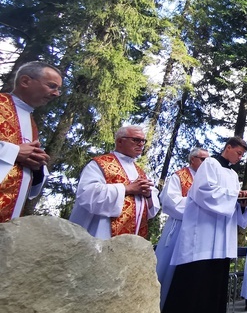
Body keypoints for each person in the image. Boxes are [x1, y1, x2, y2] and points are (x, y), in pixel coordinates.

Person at [159, 137, 247, 313]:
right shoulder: (210, 164)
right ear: (228, 147)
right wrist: (234, 197)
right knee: (192, 290)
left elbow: (232, 205)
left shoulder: (232, 174)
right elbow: (203, 192)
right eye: (238, 153)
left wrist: (242, 202)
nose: (240, 159)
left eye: (242, 156)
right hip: (202, 239)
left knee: (211, 291)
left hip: (220, 242)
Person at [70, 125, 160, 238]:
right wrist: (127, 189)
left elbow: (151, 211)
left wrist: (148, 195)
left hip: (131, 238)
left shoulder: (140, 172)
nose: (141, 144)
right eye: (136, 139)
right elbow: (86, 193)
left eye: (143, 140)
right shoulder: (100, 164)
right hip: (99, 232)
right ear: (120, 141)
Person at [0, 61, 62, 222]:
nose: (56, 94)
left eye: (58, 89)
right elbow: (16, 152)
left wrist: (37, 166)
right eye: (52, 86)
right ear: (25, 81)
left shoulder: (31, 121)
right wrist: (13, 151)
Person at [155, 147, 209, 308]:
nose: (206, 163)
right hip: (179, 227)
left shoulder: (208, 180)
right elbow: (170, 202)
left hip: (200, 230)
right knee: (169, 270)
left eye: (208, 160)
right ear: (192, 159)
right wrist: (199, 205)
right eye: (203, 159)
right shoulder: (178, 176)